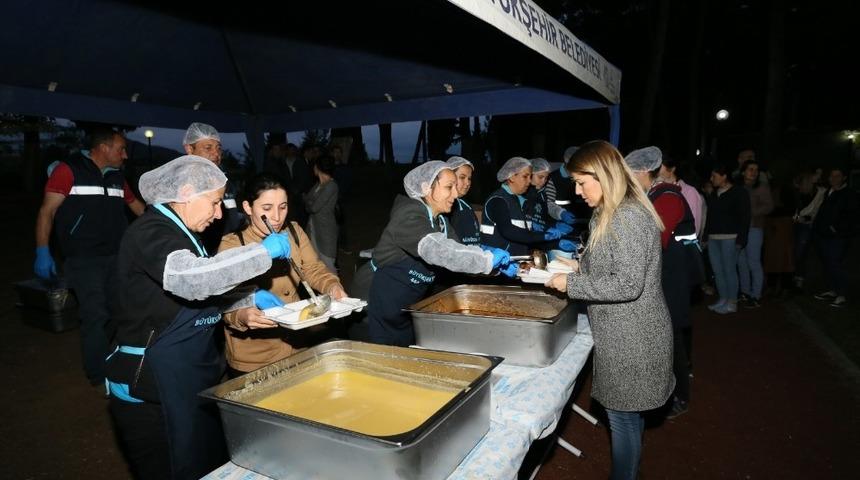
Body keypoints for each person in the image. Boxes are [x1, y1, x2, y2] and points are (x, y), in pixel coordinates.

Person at [106, 156, 294, 480]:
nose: (220, 213)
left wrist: (245, 300)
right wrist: (263, 252)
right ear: (187, 192)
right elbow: (192, 281)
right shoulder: (151, 231)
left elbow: (202, 297)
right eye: (216, 202)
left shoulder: (185, 234)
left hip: (190, 375)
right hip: (151, 386)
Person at [545, 140, 674, 480]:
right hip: (625, 332)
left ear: (603, 176)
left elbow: (627, 285)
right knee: (628, 418)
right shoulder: (610, 211)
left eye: (581, 182)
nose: (576, 190)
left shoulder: (627, 217)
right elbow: (612, 268)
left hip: (633, 338)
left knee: (623, 421)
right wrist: (579, 268)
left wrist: (570, 284)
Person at [34, 127, 144, 390]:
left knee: (118, 312)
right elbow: (46, 212)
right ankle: (99, 373)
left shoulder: (118, 176)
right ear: (104, 148)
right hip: (84, 258)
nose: (125, 155)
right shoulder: (69, 170)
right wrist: (42, 251)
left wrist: (166, 223)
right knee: (95, 314)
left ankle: (107, 354)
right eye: (121, 149)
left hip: (116, 256)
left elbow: (136, 206)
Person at [366, 161, 515, 346]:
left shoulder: (442, 222)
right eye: (449, 187)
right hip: (375, 303)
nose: (455, 194)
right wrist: (487, 260)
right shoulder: (408, 214)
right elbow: (438, 250)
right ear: (426, 187)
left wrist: (495, 268)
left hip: (405, 306)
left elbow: (459, 255)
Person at [219, 173, 347, 376]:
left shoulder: (294, 231)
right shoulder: (234, 244)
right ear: (247, 207)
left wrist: (332, 286)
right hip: (255, 354)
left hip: (295, 343)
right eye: (267, 208)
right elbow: (222, 296)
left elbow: (313, 269)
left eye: (283, 207)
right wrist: (241, 315)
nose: (277, 218)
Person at [625, 146, 700, 420]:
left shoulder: (667, 197)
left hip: (675, 278)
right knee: (663, 335)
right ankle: (661, 387)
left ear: (645, 171)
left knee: (672, 338)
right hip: (666, 274)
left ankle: (680, 395)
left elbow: (656, 241)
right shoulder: (652, 195)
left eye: (631, 173)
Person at [480, 157, 566, 256]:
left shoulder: (520, 202)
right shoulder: (498, 200)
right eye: (525, 176)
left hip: (515, 260)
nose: (529, 181)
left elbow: (526, 237)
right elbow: (509, 231)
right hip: (496, 261)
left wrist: (555, 244)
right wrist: (543, 236)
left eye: (530, 177)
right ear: (511, 177)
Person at [182, 122, 243, 252]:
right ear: (189, 149)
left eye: (218, 148)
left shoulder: (224, 181)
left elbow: (232, 219)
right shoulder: (182, 184)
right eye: (208, 148)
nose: (216, 153)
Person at [704, 162, 751, 314]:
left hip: (730, 237)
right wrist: (705, 236)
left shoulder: (739, 192)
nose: (712, 179)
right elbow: (709, 217)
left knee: (729, 270)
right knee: (718, 271)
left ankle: (732, 302)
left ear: (724, 176)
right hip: (713, 238)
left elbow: (745, 217)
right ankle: (723, 298)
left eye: (714, 176)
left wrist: (741, 239)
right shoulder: (714, 194)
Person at [811, 166, 859, 307]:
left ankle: (842, 294)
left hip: (837, 237)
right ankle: (833, 290)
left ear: (844, 177)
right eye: (831, 176)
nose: (834, 178)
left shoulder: (849, 194)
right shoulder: (829, 192)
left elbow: (853, 216)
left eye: (837, 176)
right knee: (827, 263)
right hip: (822, 235)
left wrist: (836, 229)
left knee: (835, 263)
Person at [736, 159, 773, 308]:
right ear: (744, 171)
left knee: (753, 261)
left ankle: (756, 295)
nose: (754, 172)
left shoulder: (762, 187)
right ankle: (745, 291)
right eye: (750, 169)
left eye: (756, 170)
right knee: (741, 261)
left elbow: (769, 206)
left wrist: (750, 213)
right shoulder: (738, 187)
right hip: (740, 229)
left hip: (754, 228)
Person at [524, 157, 578, 252]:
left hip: (539, 245)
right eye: (540, 177)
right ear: (530, 174)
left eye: (546, 178)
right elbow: (521, 226)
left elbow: (544, 217)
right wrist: (537, 226)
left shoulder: (542, 194)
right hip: (526, 245)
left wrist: (554, 224)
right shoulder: (523, 195)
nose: (543, 181)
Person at [303, 154, 339, 272]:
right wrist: (309, 203)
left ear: (318, 168)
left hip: (326, 231)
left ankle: (335, 290)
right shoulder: (318, 185)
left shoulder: (331, 186)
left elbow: (313, 207)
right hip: (314, 229)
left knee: (328, 267)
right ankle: (323, 290)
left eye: (314, 166)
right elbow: (307, 199)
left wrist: (309, 203)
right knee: (316, 266)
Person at [791, 171, 826, 290]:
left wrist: (803, 218)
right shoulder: (799, 190)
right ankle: (795, 277)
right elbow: (794, 207)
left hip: (807, 225)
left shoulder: (821, 192)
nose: (817, 177)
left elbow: (816, 212)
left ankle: (799, 279)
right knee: (795, 251)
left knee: (801, 252)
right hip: (796, 224)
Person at [659, 155, 706, 238]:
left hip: (680, 245)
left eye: (659, 166)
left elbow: (695, 225)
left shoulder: (689, 192)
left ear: (672, 169)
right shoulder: (657, 190)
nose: (655, 170)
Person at [445, 156, 481, 246]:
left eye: (469, 178)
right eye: (462, 177)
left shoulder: (466, 205)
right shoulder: (445, 206)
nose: (467, 183)